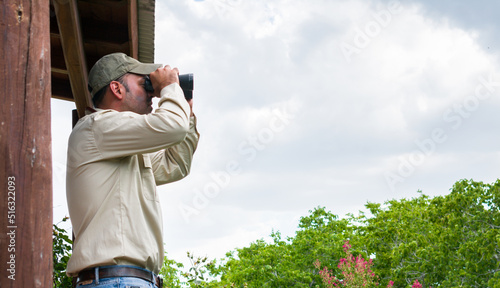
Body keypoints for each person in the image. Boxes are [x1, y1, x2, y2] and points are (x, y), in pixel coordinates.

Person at [65, 52, 199, 288]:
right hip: (115, 280)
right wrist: (169, 88)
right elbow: (171, 128)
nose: (151, 91)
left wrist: (185, 111)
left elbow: (176, 164)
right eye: (143, 83)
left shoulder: (122, 144)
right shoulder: (97, 128)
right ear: (117, 89)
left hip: (128, 280)